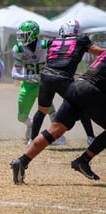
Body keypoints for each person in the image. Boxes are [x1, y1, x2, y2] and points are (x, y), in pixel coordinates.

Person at [10, 50, 106, 184]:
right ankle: (83, 161)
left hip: (77, 86)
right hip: (90, 91)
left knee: (55, 130)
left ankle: (22, 161)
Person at [28, 20, 103, 147]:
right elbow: (99, 52)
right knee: (81, 107)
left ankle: (32, 140)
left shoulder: (54, 41)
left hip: (46, 76)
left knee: (41, 111)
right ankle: (90, 137)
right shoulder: (81, 40)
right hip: (63, 78)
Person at [11, 20, 66, 145]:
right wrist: (32, 76)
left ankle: (59, 135)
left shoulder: (46, 45)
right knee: (21, 117)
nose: (21, 38)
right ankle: (30, 126)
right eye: (20, 35)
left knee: (50, 110)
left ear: (33, 34)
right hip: (28, 86)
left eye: (24, 35)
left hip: (44, 85)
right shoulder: (18, 49)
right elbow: (14, 74)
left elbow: (62, 49)